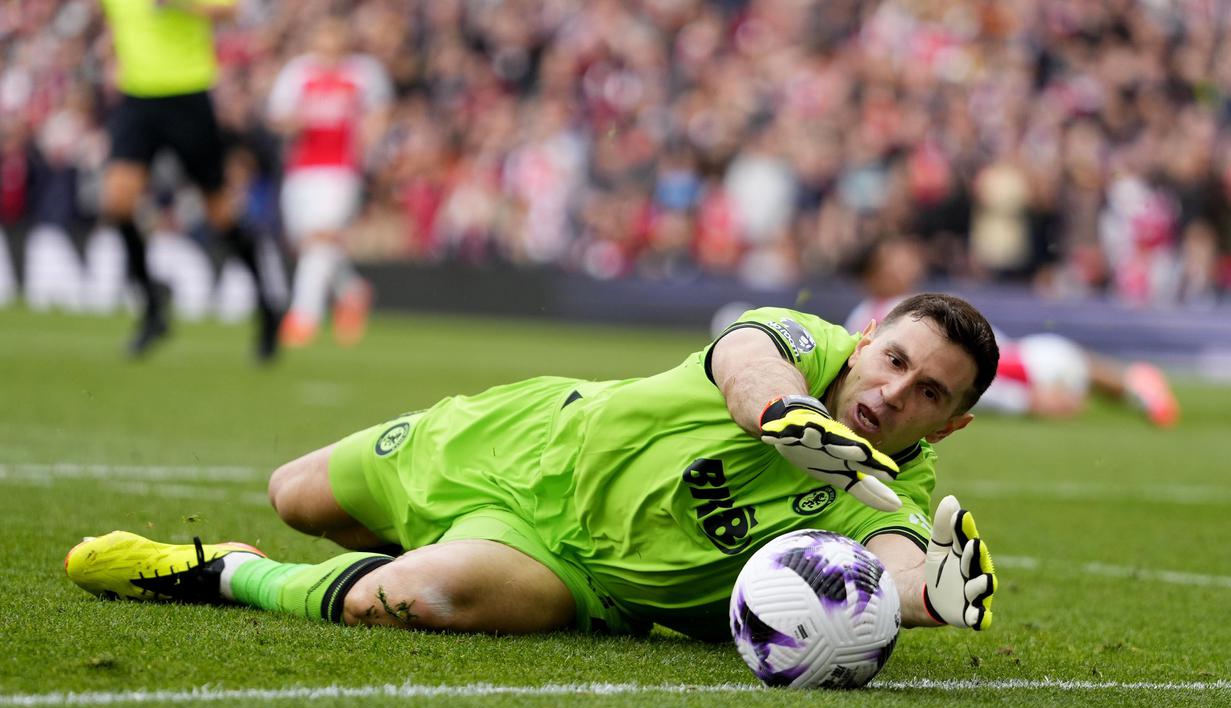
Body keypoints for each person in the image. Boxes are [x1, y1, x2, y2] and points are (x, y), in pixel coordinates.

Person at [66, 293, 999, 640]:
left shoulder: (892, 491)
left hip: (569, 570)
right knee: (296, 495)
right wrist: (780, 413)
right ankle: (407, 531)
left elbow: (898, 559)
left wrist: (932, 598)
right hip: (520, 438)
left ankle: (222, 571)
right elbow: (743, 358)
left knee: (404, 597)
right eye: (895, 360)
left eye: (928, 394)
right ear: (868, 337)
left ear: (951, 428)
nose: (894, 391)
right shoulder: (805, 339)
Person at [98, 0, 282, 359]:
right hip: (136, 99)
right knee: (117, 201)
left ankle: (267, 306)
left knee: (220, 213)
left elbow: (231, 11)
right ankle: (152, 308)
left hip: (187, 95)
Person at [843, 238, 1180, 427]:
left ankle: (1138, 389)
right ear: (873, 273)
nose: (905, 265)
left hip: (1015, 360)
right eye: (893, 261)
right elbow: (952, 373)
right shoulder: (889, 312)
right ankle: (1140, 389)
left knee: (1074, 361)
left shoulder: (873, 312)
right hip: (1017, 371)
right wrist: (1026, 402)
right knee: (1070, 361)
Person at [267, 17, 392, 348]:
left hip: (340, 170)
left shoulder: (363, 73)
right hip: (301, 170)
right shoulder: (298, 73)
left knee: (320, 239)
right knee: (308, 243)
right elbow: (278, 118)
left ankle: (302, 317)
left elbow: (379, 115)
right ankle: (352, 291)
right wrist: (297, 121)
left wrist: (370, 138)